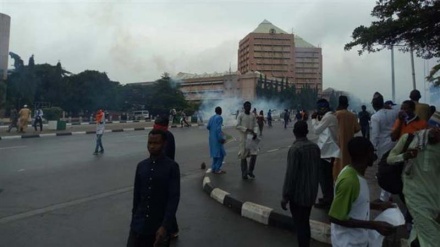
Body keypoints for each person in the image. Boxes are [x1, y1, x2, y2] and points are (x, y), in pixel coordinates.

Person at [328, 137, 396, 246]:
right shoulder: (350, 181)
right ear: (366, 154)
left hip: (356, 240)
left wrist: (379, 206)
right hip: (347, 242)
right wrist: (374, 225)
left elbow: (355, 204)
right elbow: (335, 217)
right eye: (372, 152)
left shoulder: (354, 174)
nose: (374, 156)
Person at [387, 118, 440, 247]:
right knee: (433, 238)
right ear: (429, 126)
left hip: (434, 197)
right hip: (414, 193)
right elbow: (390, 159)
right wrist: (405, 156)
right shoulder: (410, 139)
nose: (436, 132)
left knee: (420, 233)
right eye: (435, 128)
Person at [127, 129, 180, 247]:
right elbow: (137, 196)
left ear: (164, 144)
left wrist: (164, 226)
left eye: (156, 143)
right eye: (150, 143)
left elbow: (173, 199)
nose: (152, 146)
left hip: (158, 228)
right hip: (138, 225)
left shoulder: (172, 167)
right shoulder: (141, 166)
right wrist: (134, 220)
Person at [281, 121, 321, 247]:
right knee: (305, 222)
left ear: (294, 132)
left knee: (301, 225)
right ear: (307, 132)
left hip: (298, 195)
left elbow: (290, 175)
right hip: (311, 193)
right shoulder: (315, 147)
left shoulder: (295, 149)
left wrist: (285, 196)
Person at [152, 115, 178, 239]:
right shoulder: (166, 135)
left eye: (157, 125)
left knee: (165, 203)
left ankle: (171, 229)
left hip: (165, 173)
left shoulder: (166, 137)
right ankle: (171, 228)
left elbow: (164, 156)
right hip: (162, 171)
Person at [370, 92, 399, 202]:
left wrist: (372, 149)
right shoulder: (394, 112)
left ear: (374, 105)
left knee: (384, 171)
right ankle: (390, 193)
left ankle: (384, 197)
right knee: (393, 169)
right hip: (395, 144)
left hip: (383, 146)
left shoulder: (375, 117)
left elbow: (375, 135)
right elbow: (400, 107)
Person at [311, 99, 340, 208]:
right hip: (327, 151)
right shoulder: (330, 116)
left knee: (324, 177)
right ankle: (327, 197)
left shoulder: (328, 117)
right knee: (325, 177)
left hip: (327, 152)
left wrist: (313, 119)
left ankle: (328, 199)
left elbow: (316, 131)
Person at [334, 96, 361, 178]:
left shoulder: (336, 114)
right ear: (347, 104)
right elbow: (358, 128)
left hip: (337, 144)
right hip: (349, 144)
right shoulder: (352, 115)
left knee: (337, 164)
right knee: (348, 162)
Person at [236, 101, 258, 179]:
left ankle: (250, 171)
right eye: (247, 106)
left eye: (249, 106)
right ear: (244, 107)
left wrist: (255, 132)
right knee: (243, 156)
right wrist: (247, 129)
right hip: (244, 138)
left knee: (254, 154)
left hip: (251, 138)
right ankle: (244, 173)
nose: (248, 107)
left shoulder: (253, 115)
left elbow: (256, 125)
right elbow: (237, 126)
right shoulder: (241, 115)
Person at [207, 107, 226, 174]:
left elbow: (208, 127)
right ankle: (217, 169)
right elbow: (218, 129)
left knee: (215, 154)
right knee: (221, 154)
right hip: (217, 138)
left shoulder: (211, 118)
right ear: (221, 111)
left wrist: (213, 131)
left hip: (211, 138)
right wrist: (220, 138)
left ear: (215, 111)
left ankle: (214, 168)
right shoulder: (219, 118)